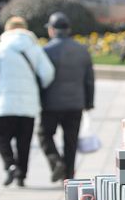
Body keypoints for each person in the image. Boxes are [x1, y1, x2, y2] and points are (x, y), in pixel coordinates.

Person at [0, 16, 55, 187]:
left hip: (6, 104)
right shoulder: (34, 48)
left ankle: (10, 164)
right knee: (24, 142)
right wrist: (38, 86)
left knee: (1, 137)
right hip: (28, 104)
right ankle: (21, 176)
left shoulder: (0, 48)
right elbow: (48, 73)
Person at [38, 12, 95, 182]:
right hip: (75, 103)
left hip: (51, 103)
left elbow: (40, 78)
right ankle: (68, 177)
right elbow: (89, 80)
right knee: (71, 141)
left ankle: (56, 161)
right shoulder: (82, 50)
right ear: (68, 30)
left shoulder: (46, 51)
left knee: (44, 134)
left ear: (52, 30)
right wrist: (89, 102)